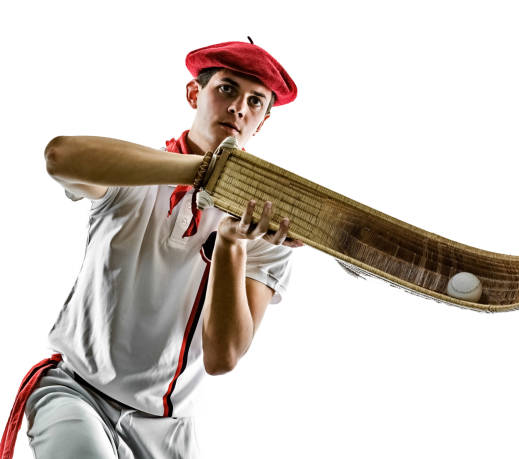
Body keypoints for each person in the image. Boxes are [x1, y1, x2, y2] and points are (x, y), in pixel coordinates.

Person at [0, 39, 300, 458]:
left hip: (170, 432)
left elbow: (222, 357)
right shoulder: (134, 172)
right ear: (195, 94)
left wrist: (231, 245)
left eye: (255, 101)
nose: (238, 108)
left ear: (262, 122)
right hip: (76, 393)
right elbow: (58, 156)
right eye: (227, 89)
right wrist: (207, 173)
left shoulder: (261, 230)